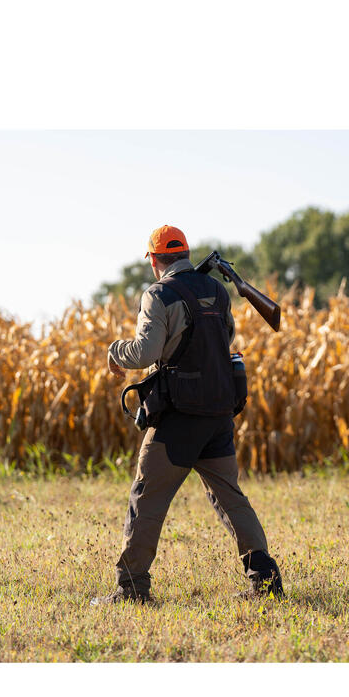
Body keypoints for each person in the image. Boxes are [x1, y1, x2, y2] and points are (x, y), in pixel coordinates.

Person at [91, 225, 283, 604]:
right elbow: (223, 340)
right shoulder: (216, 290)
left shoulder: (158, 294)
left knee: (146, 498)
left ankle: (131, 589)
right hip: (218, 411)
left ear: (155, 260)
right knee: (230, 497)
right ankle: (265, 580)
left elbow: (146, 353)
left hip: (178, 417)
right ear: (184, 254)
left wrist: (115, 351)